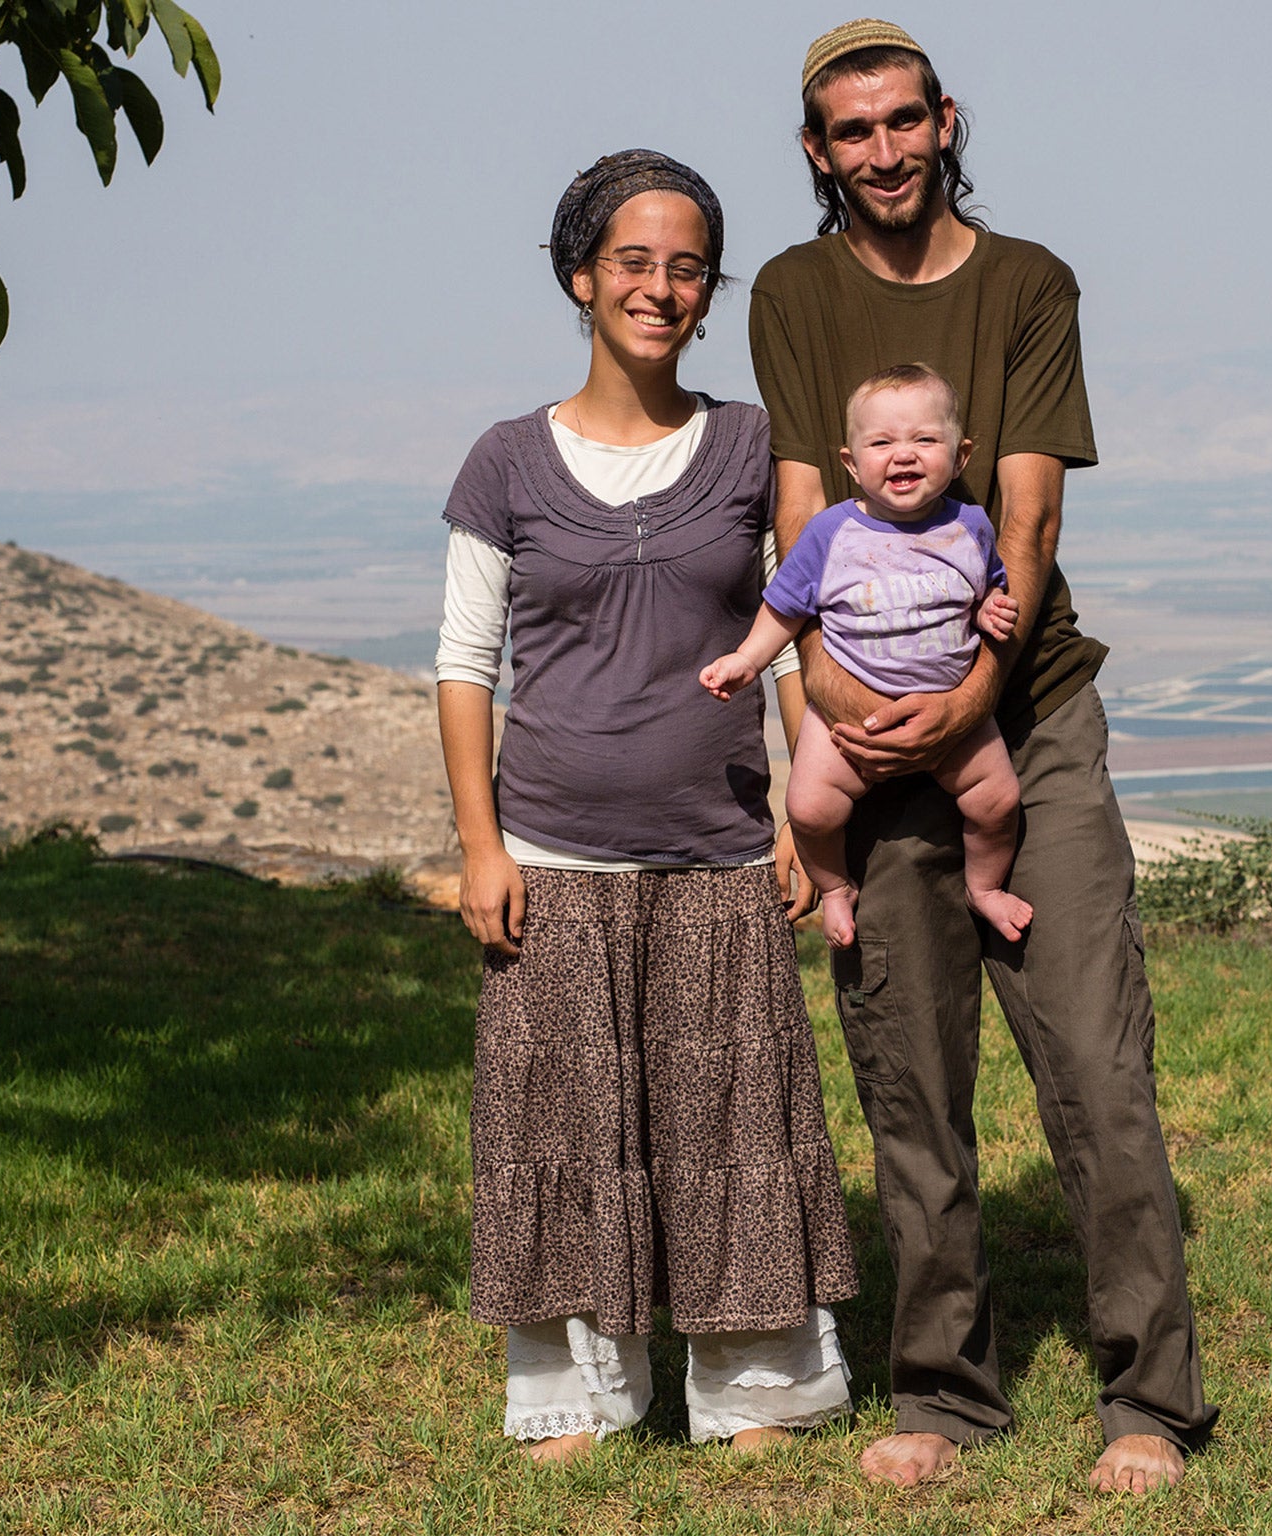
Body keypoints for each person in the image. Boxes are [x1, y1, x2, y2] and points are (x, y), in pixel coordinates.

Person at [748, 21, 1217, 1494]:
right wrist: (818, 706)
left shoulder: (1029, 283)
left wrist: (974, 696)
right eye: (851, 131)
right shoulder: (791, 292)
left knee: (1091, 1053)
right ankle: (943, 1387)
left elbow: (1028, 517)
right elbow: (797, 511)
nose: (882, 151)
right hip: (864, 726)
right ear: (816, 153)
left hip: (1027, 713)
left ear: (947, 122)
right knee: (911, 1063)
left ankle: (1149, 1396)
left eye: (903, 121)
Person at [434, 149, 857, 1464]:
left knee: (731, 1120)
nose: (659, 287)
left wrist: (803, 812)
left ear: (708, 289)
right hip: (552, 854)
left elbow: (788, 636)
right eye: (632, 261)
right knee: (564, 1126)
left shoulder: (750, 448)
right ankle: (578, 1402)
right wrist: (481, 848)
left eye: (686, 266)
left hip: (722, 847)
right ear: (580, 275)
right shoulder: (506, 461)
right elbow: (464, 663)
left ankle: (755, 1394)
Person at [698, 363, 1030, 948]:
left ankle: (984, 888)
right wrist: (747, 660)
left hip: (952, 712)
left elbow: (986, 590)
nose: (903, 454)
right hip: (849, 716)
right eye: (882, 442)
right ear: (851, 462)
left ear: (962, 456)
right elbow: (786, 607)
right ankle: (834, 888)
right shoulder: (831, 534)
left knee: (999, 801)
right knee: (808, 808)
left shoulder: (971, 526)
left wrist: (988, 613)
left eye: (925, 439)